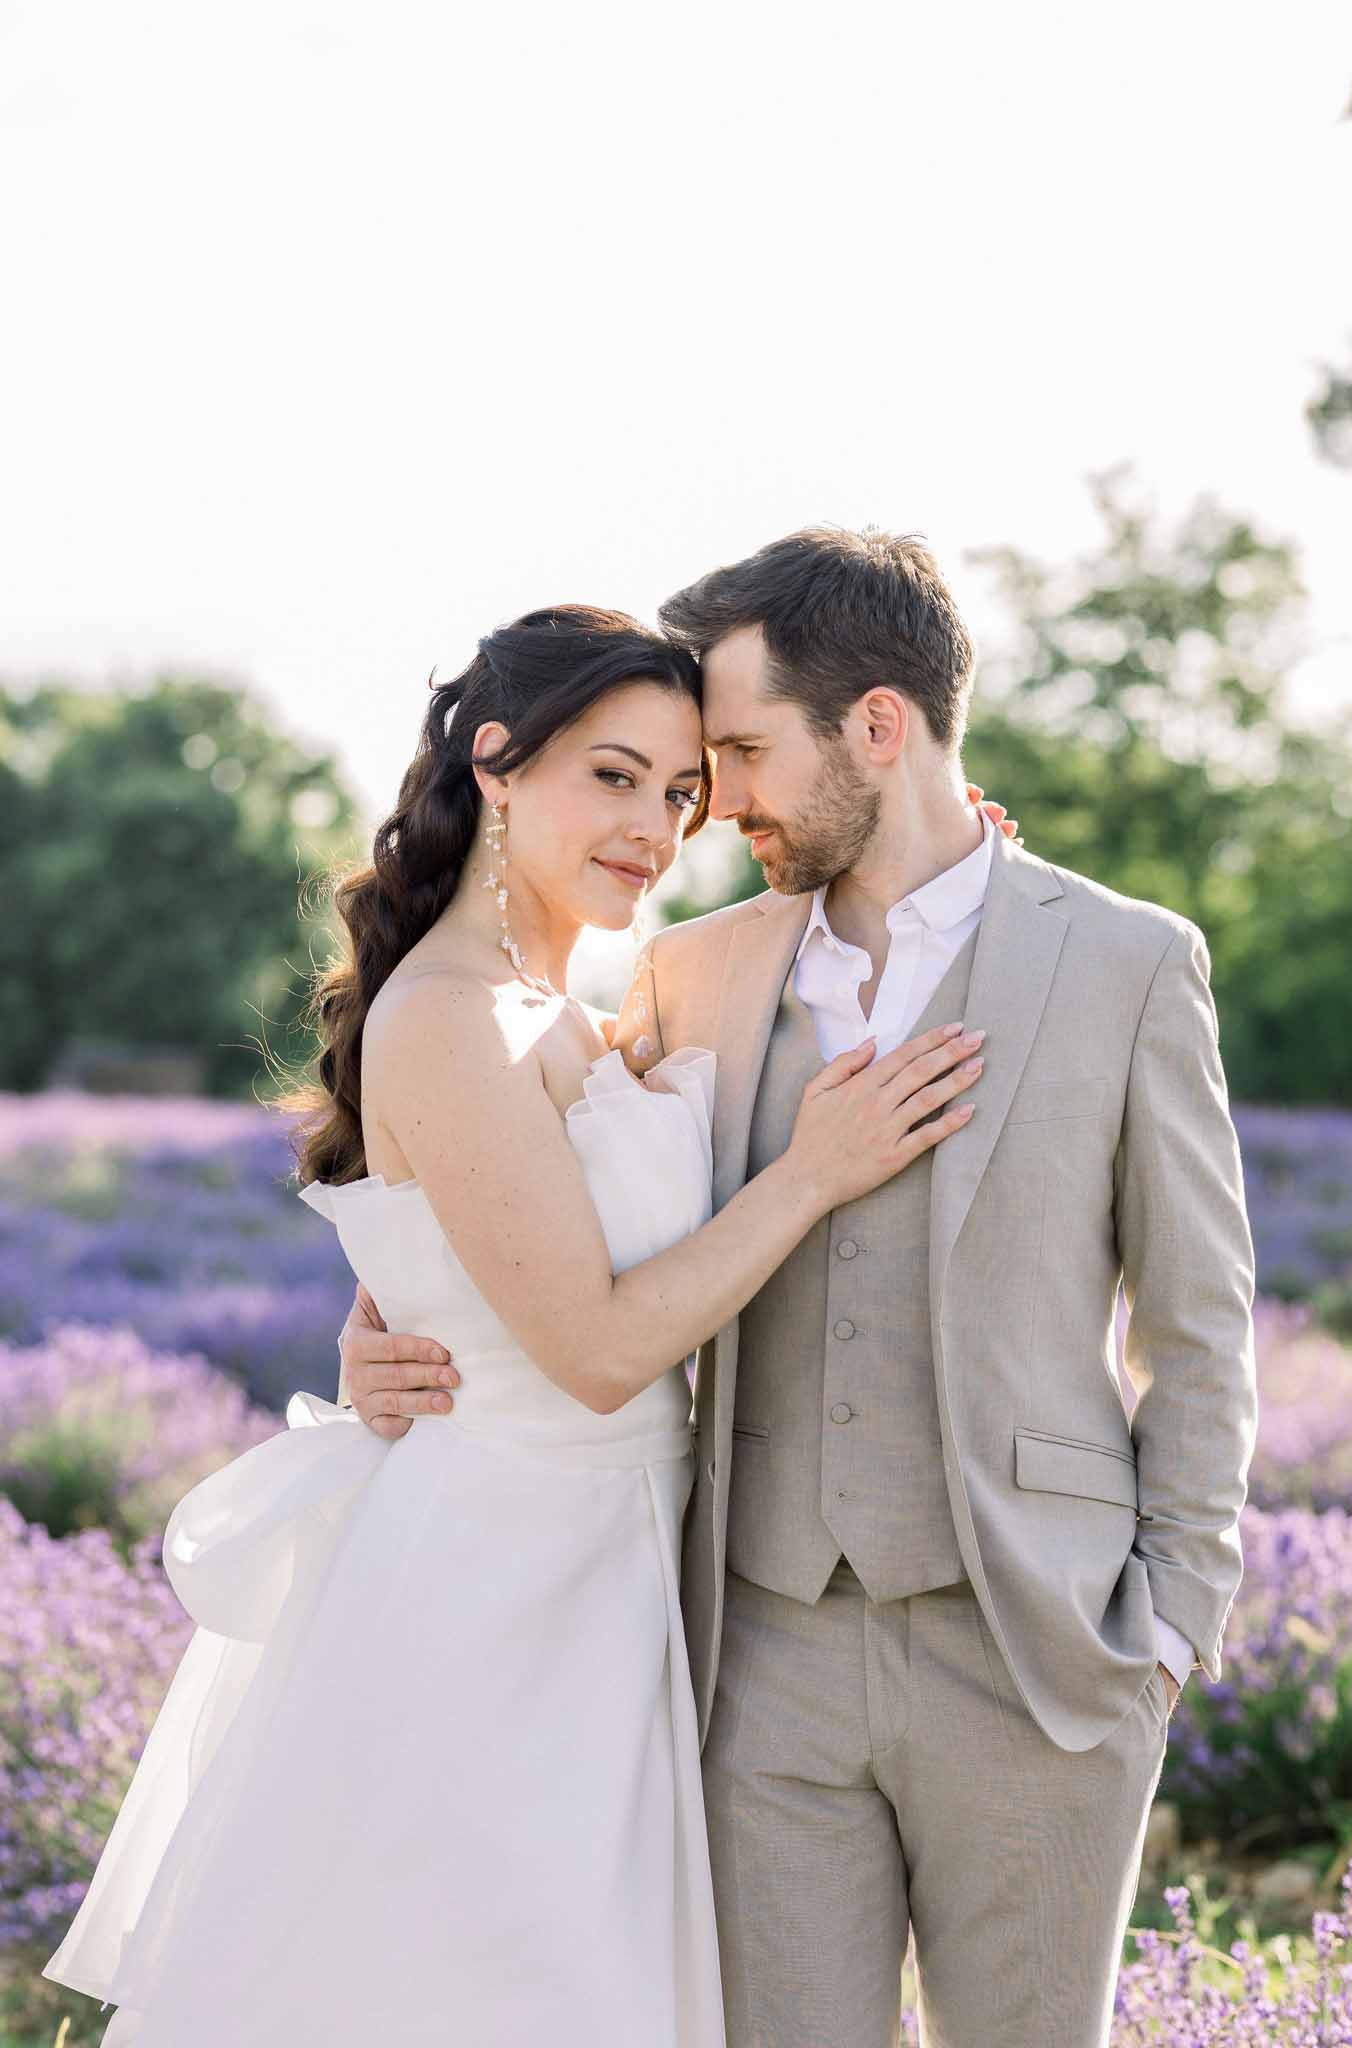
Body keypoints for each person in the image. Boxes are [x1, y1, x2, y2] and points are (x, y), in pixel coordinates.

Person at [342, 534, 1258, 2048]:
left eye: (739, 758)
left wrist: (1165, 1632)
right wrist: (388, 1328)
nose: (715, 809)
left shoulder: (1124, 961)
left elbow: (1201, 1322)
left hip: (1039, 1652)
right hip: (753, 1659)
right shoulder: (690, 973)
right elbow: (523, 1204)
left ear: (879, 728)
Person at [43, 603, 993, 2046]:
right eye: (611, 776)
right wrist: (812, 1171)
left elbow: (491, 1237)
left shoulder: (571, 1003)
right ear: (495, 763)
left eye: (681, 793)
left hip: (614, 1568)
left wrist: (936, 850)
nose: (654, 827)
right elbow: (602, 1349)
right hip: (498, 1582)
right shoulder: (447, 1014)